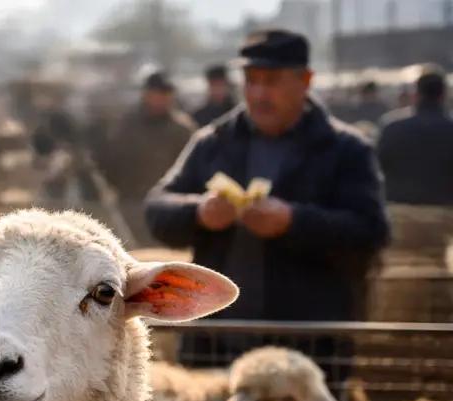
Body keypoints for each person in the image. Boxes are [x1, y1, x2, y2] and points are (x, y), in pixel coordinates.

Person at [145, 29, 389, 378]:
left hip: (308, 350)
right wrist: (198, 212)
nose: (259, 94)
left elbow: (372, 232)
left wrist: (294, 221)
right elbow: (157, 207)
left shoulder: (345, 150)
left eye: (272, 81)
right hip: (217, 342)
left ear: (305, 81)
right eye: (251, 80)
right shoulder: (213, 142)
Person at [97, 71, 195, 247]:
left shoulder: (182, 129)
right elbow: (111, 159)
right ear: (146, 95)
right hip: (131, 203)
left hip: (168, 208)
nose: (160, 100)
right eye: (156, 94)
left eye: (165, 95)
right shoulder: (127, 124)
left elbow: (193, 169)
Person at [377, 65, 453, 205]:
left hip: (401, 213)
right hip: (446, 215)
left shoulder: (392, 127)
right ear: (444, 94)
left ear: (416, 94)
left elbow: (378, 167)